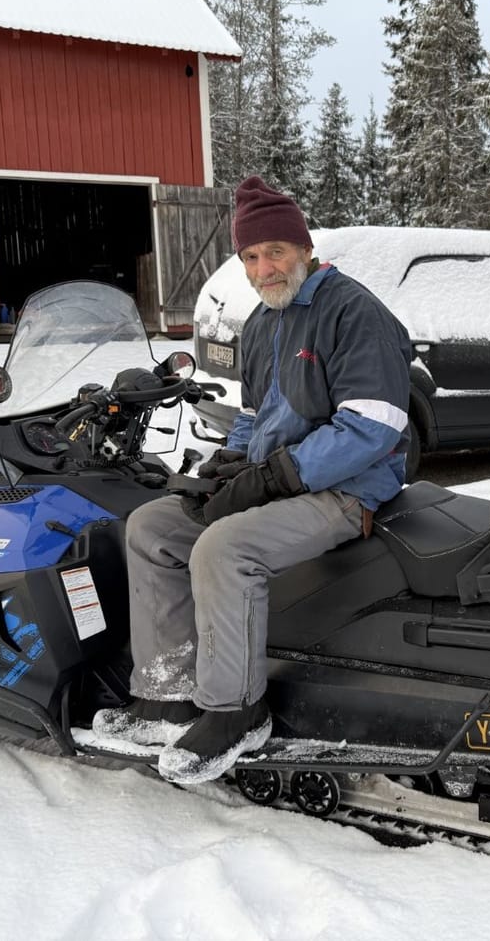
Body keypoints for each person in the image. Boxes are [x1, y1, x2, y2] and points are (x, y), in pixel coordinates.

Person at [93, 176, 412, 784]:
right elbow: (255, 415)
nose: (264, 268)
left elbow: (374, 426)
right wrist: (227, 465)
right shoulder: (266, 322)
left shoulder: (352, 312)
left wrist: (277, 475)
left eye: (275, 253)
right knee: (152, 527)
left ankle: (237, 710)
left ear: (304, 250)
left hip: (348, 491)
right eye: (250, 257)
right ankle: (167, 694)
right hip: (280, 480)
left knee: (224, 546)